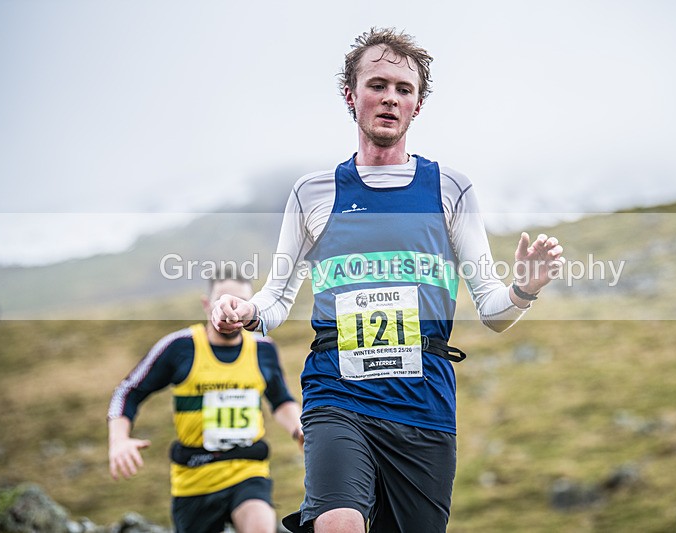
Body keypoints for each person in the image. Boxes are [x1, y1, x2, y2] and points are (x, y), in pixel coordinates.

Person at [210, 27, 565, 533]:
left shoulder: (450, 189)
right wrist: (246, 312)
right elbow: (276, 300)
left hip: (424, 405)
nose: (391, 99)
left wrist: (524, 289)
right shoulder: (313, 193)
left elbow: (492, 311)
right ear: (351, 96)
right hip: (339, 393)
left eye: (405, 90)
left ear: (417, 106)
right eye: (378, 84)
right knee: (339, 523)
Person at [108, 268, 304, 533]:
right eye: (222, 300)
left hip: (248, 470)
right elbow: (129, 391)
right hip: (194, 479)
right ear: (206, 304)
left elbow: (280, 400)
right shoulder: (179, 347)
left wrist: (299, 430)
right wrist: (119, 439)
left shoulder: (263, 349)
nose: (230, 310)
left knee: (260, 524)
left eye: (239, 302)